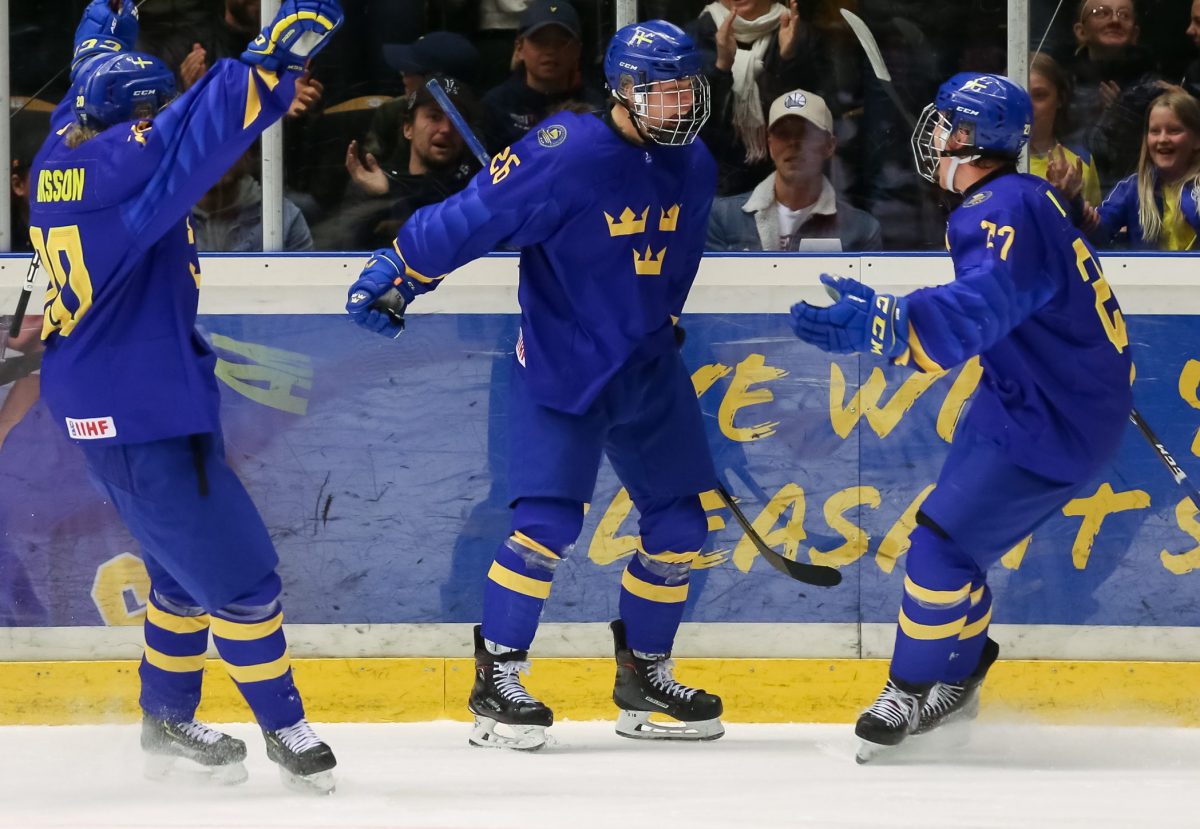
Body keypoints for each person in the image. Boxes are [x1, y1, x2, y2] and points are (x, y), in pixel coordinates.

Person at [346, 20, 725, 750]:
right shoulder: (565, 152)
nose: (680, 103)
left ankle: (645, 673)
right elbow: (474, 214)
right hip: (563, 360)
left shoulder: (695, 162)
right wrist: (400, 271)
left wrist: (662, 315)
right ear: (622, 90)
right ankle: (500, 675)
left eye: (687, 89)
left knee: (681, 529)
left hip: (645, 365)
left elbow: (679, 259)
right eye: (663, 91)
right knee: (545, 525)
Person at [28, 0, 343, 791]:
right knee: (243, 581)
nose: (159, 119)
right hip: (138, 410)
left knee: (177, 575)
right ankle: (286, 726)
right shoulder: (121, 175)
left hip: (130, 397)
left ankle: (166, 715)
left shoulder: (64, 145)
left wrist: (107, 16)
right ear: (134, 120)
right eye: (151, 112)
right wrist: (272, 61)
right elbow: (203, 127)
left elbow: (90, 62)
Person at [790, 73, 1132, 761]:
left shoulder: (997, 207)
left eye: (946, 123)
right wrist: (898, 315)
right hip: (1031, 397)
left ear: (972, 137)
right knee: (951, 545)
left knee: (938, 548)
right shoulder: (1016, 197)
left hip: (1053, 418)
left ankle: (910, 687)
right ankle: (962, 669)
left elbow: (987, 301)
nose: (935, 134)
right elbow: (1008, 297)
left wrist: (891, 321)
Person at [706, 88, 880, 251]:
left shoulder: (861, 230)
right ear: (770, 145)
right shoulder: (723, 219)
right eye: (783, 133)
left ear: (829, 146)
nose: (793, 143)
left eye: (805, 133)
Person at [688, 0, 825, 196]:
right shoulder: (693, 37)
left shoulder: (802, 35)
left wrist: (788, 61)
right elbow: (691, 129)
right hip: (716, 188)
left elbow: (815, 122)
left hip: (783, 188)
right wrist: (721, 67)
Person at [339, 76, 480, 248]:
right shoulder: (376, 183)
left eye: (456, 119)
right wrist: (379, 197)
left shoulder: (478, 188)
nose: (446, 129)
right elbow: (345, 253)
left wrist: (392, 191)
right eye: (434, 117)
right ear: (408, 128)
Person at [480, 0, 604, 152]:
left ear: (577, 50)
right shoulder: (495, 107)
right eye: (540, 41)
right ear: (519, 48)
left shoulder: (596, 107)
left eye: (561, 42)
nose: (550, 50)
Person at [1092, 88, 1200, 250]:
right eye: (1155, 131)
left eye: (1174, 131)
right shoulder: (1132, 189)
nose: (1162, 139)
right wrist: (1075, 203)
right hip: (1148, 275)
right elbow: (1096, 234)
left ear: (1197, 140)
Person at [192, 147, 314, 252]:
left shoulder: (284, 217)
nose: (217, 158)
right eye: (207, 147)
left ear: (247, 156)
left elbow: (303, 277)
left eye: (228, 145)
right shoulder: (174, 220)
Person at [1028, 52, 1102, 209]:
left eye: (1039, 95)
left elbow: (1092, 227)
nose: (1029, 105)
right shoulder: (993, 161)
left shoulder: (1080, 160)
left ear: (1060, 99)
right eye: (1021, 95)